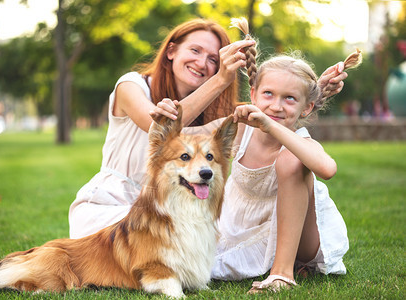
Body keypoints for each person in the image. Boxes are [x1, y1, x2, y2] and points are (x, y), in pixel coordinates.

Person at [153, 19, 361, 293]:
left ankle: (282, 274)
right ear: (252, 95)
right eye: (268, 94)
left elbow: (327, 169)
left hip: (304, 240)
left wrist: (269, 125)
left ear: (306, 108)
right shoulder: (240, 129)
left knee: (291, 160)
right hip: (243, 226)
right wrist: (166, 116)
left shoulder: (300, 142)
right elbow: (187, 135)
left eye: (289, 99)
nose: (276, 105)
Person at [69, 19, 256, 239]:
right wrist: (221, 80)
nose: (202, 62)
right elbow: (159, 130)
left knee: (228, 235)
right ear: (171, 51)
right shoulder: (131, 86)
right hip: (108, 207)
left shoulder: (216, 118)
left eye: (213, 59)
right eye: (195, 50)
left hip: (171, 212)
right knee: (165, 233)